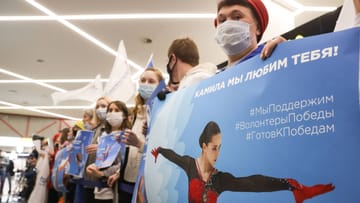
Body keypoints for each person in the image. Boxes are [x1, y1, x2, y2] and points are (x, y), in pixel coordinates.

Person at [151, 121, 335, 203]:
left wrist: (289, 185)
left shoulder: (220, 179)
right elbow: (172, 155)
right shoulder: (190, 164)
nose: (218, 153)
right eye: (214, 148)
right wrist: (158, 150)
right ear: (204, 146)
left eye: (220, 147)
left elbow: (253, 183)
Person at [114, 67, 164, 203]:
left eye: (151, 81)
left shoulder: (163, 113)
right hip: (126, 180)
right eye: (142, 80)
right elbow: (130, 150)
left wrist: (139, 144)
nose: (146, 84)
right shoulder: (136, 114)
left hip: (146, 183)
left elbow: (163, 152)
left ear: (160, 85)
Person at [214, 0, 286, 69]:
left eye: (237, 17)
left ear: (258, 28)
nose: (227, 26)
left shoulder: (271, 62)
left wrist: (288, 52)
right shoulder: (216, 78)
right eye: (222, 20)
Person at [86, 100, 132, 203]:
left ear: (124, 115)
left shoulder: (127, 136)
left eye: (117, 110)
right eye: (110, 110)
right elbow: (102, 160)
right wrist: (93, 166)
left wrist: (102, 173)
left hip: (115, 189)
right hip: (98, 189)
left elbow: (124, 164)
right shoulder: (103, 136)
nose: (112, 113)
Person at [75, 96, 112, 203]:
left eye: (103, 106)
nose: (100, 109)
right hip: (88, 178)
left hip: (103, 179)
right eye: (97, 106)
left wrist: (101, 149)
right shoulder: (95, 129)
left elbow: (118, 153)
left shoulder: (114, 129)